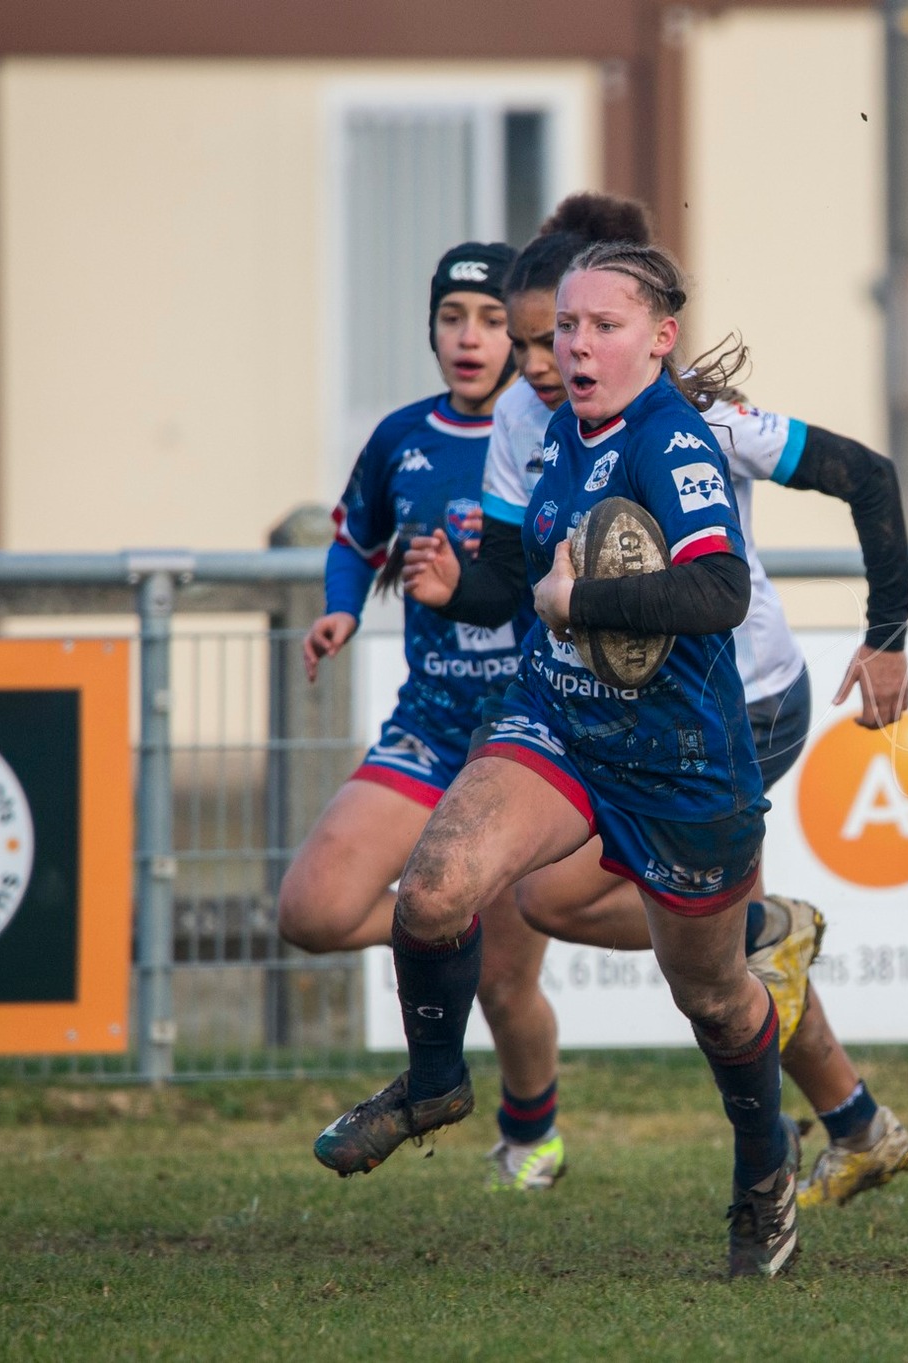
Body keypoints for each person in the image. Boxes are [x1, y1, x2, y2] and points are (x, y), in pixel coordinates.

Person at [405, 193, 908, 1206]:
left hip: (744, 695)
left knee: (692, 956)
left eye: (577, 331)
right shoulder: (521, 421)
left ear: (637, 335)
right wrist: (452, 587)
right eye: (538, 338)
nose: (549, 359)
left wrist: (889, 632)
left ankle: (818, 1069)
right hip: (612, 706)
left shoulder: (698, 416)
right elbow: (520, 582)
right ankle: (856, 1120)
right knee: (648, 933)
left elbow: (866, 474)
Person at [313, 240, 803, 1278]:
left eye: (601, 326)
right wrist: (464, 587)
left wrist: (579, 601)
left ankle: (766, 1168)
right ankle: (437, 1080)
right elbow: (518, 582)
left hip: (680, 763)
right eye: (564, 326)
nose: (573, 346)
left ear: (659, 338)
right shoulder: (547, 430)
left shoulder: (670, 445)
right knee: (436, 889)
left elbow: (715, 593)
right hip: (557, 722)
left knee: (713, 998)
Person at [277, 241, 573, 1192]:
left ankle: (534, 1135)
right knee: (312, 911)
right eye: (455, 318)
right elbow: (353, 535)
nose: (473, 338)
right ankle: (442, 917)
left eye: (494, 321)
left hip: (522, 735)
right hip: (432, 723)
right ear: (432, 330)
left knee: (505, 984)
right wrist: (340, 606)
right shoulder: (401, 437)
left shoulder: (551, 434)